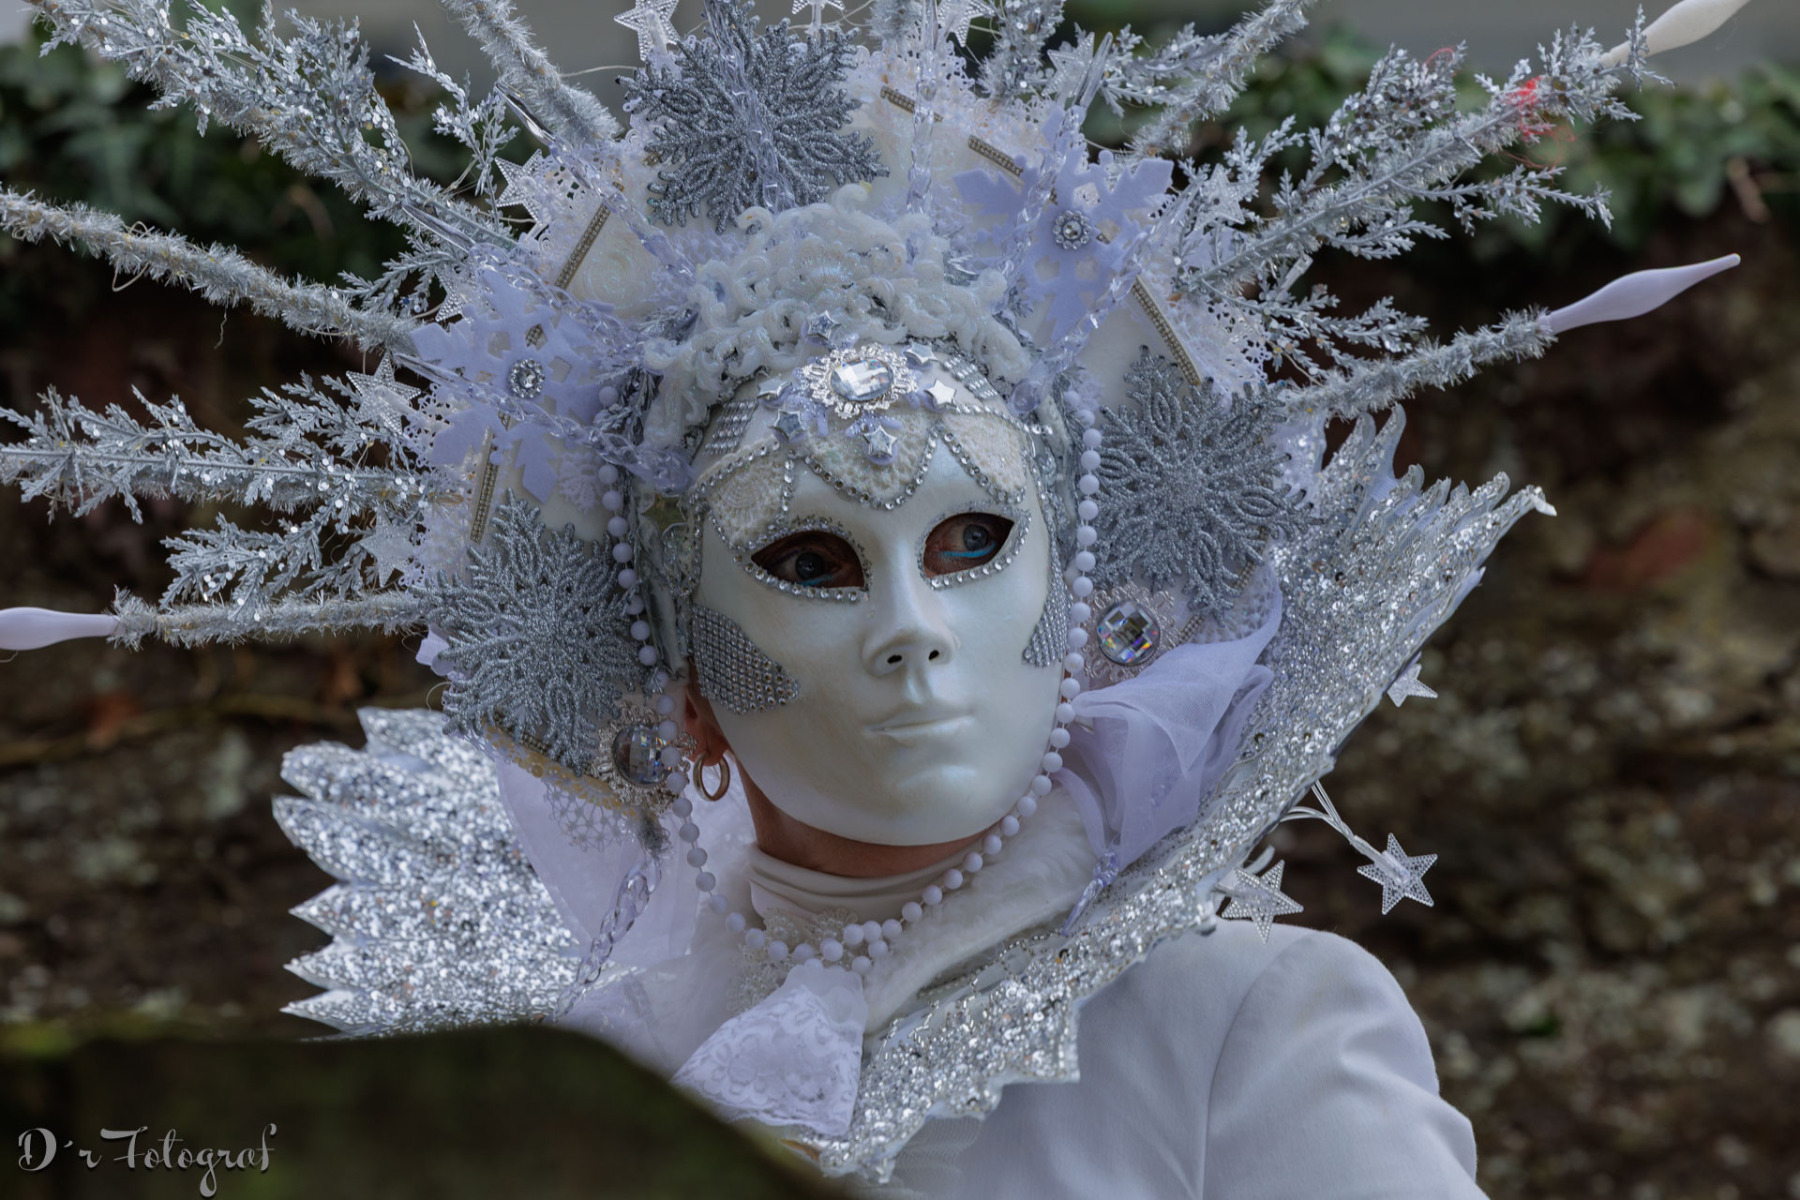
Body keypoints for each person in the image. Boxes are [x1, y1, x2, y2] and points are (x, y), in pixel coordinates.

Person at [0, 0, 1750, 1190]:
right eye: (811, 563)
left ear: (1082, 593)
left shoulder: (1243, 1030)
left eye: (974, 541)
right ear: (683, 684)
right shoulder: (568, 1057)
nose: (915, 626)